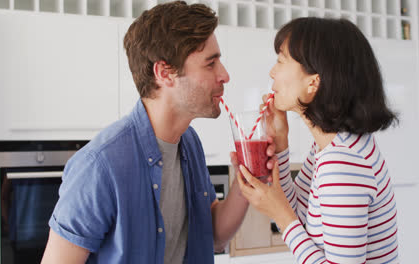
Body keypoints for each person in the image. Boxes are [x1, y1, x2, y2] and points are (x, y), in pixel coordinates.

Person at [41, 1, 277, 263]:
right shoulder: (99, 165)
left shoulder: (189, 144)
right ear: (165, 73)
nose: (224, 75)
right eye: (210, 64)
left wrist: (245, 180)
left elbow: (213, 237)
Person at [237, 17, 400, 263]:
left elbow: (290, 218)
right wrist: (281, 142)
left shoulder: (342, 165)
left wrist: (280, 216)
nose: (272, 71)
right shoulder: (333, 147)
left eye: (281, 60)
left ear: (313, 82)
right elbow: (300, 214)